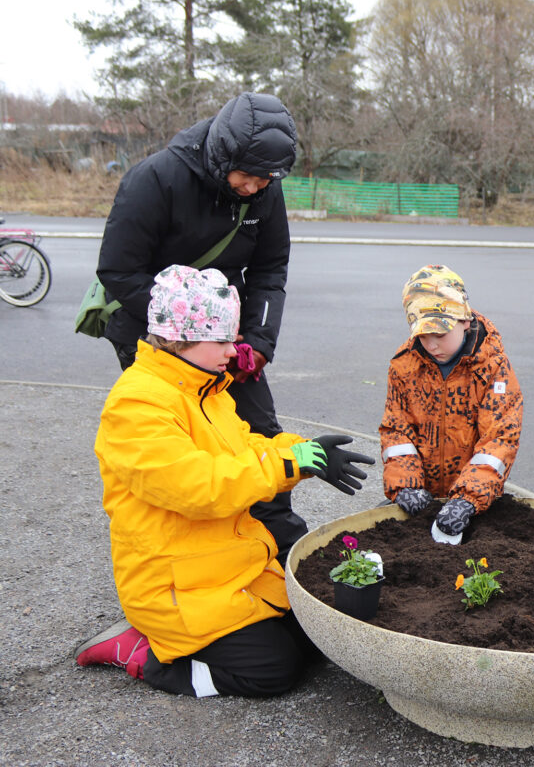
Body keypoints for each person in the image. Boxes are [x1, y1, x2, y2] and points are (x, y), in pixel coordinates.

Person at [75, 265, 374, 697]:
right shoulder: (136, 404)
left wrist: (304, 454)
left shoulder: (205, 389)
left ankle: (180, 644)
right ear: (178, 337)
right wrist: (286, 465)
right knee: (275, 672)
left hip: (226, 568)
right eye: (220, 339)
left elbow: (244, 448)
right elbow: (197, 486)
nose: (233, 350)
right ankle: (147, 658)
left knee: (318, 637)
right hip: (175, 586)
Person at [92, 92, 307, 556]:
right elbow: (117, 270)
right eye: (247, 176)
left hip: (229, 336)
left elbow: (271, 269)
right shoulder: (155, 179)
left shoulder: (266, 187)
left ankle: (279, 540)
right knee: (183, 437)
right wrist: (189, 331)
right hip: (156, 337)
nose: (254, 188)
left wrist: (257, 341)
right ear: (222, 154)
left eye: (265, 180)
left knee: (258, 430)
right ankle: (185, 548)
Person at [380, 265, 524, 541]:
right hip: (423, 495)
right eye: (423, 335)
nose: (432, 344)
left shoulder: (492, 368)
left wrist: (466, 500)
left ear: (465, 321)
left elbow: (499, 440)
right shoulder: (405, 366)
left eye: (440, 334)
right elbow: (397, 431)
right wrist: (406, 485)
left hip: (476, 501)